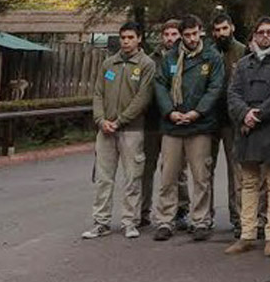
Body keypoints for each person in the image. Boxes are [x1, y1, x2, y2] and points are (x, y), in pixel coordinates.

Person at [224, 16, 270, 257]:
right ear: (253, 36)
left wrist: (258, 115)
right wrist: (245, 114)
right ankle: (247, 235)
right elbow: (233, 94)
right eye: (260, 32)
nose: (265, 36)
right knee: (249, 183)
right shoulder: (243, 64)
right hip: (247, 129)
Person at [153, 14, 225, 242]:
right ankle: (166, 220)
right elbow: (160, 84)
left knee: (201, 176)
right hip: (172, 125)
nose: (192, 39)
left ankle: (201, 220)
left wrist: (197, 112)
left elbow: (215, 88)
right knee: (168, 176)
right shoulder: (170, 57)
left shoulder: (212, 57)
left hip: (200, 125)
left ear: (201, 31)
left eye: (195, 34)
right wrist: (170, 111)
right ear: (182, 36)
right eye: (187, 35)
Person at [82, 22, 155, 239]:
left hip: (131, 130)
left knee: (133, 177)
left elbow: (143, 98)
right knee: (104, 178)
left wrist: (121, 120)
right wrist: (100, 120)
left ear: (139, 38)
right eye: (123, 37)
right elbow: (97, 93)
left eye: (130, 37)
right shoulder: (108, 64)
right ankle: (101, 221)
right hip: (105, 130)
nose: (126, 41)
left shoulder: (146, 64)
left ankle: (129, 222)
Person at [143, 19, 191, 230]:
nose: (170, 38)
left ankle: (181, 210)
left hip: (176, 121)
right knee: (148, 167)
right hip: (153, 121)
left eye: (174, 35)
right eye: (167, 35)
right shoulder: (151, 60)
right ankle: (143, 211)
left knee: (176, 169)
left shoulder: (187, 57)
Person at [209, 13, 247, 235]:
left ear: (231, 27)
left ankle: (239, 217)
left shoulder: (241, 51)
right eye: (217, 30)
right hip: (210, 119)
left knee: (237, 171)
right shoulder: (209, 52)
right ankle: (205, 217)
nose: (221, 33)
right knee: (206, 170)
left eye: (224, 28)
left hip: (233, 121)